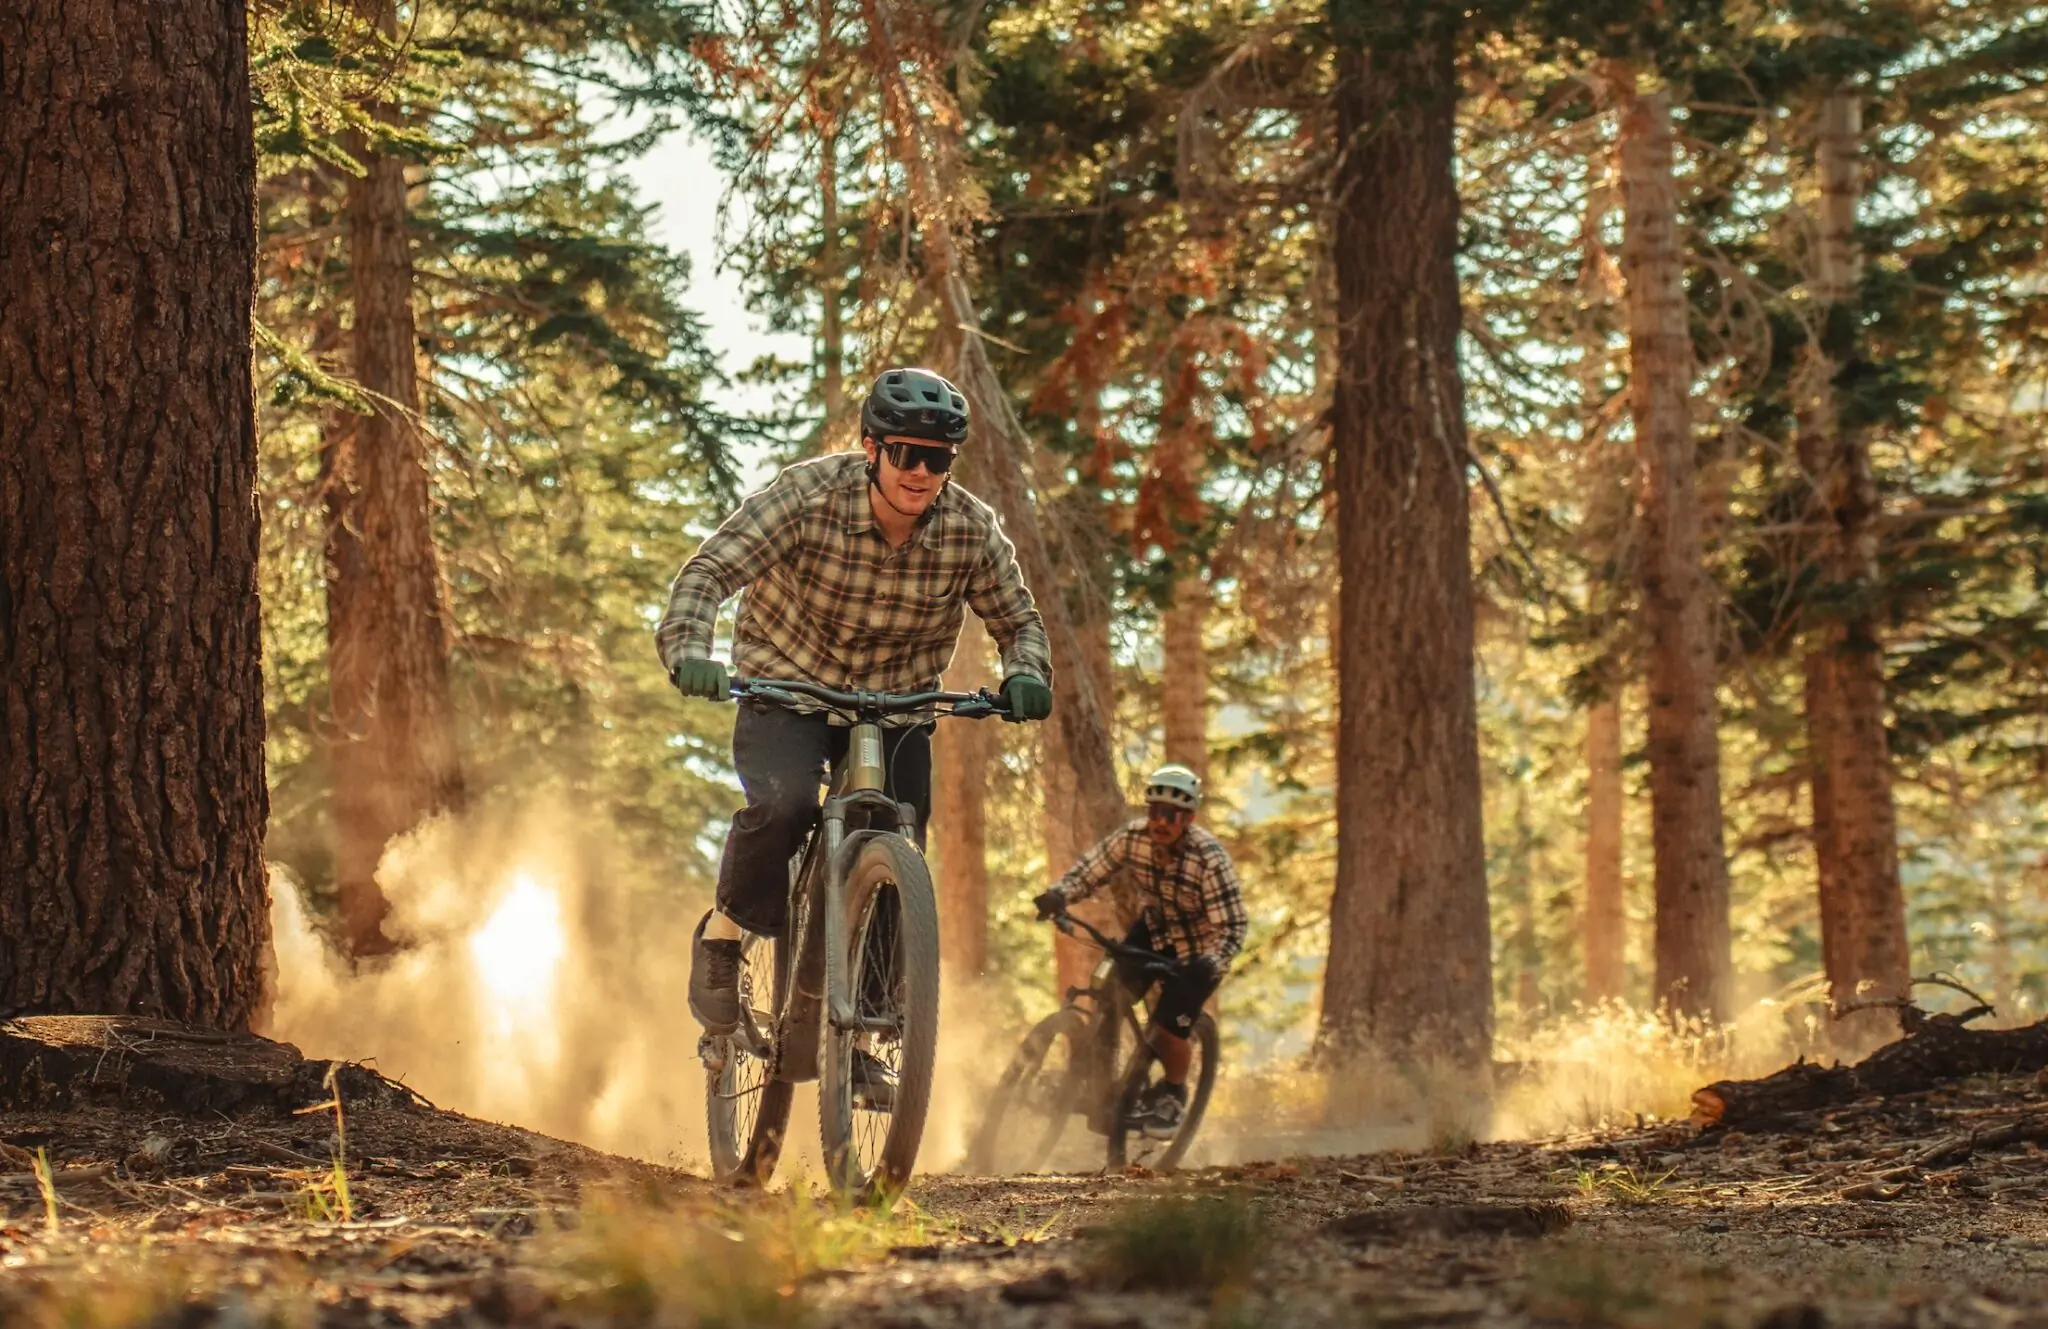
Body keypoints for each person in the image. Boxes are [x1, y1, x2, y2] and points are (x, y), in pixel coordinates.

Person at [657, 367, 1054, 1101]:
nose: (921, 473)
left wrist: (1026, 671)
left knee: (902, 839)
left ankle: (866, 1031)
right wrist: (690, 649)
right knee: (784, 805)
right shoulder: (808, 496)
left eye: (937, 459)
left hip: (898, 703)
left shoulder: (969, 528)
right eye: (906, 454)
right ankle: (724, 935)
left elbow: (1019, 620)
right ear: (872, 448)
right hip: (788, 684)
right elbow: (710, 570)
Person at [1033, 763, 1247, 1138]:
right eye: (1155, 812)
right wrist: (1059, 895)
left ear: (1189, 819)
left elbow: (1233, 928)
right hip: (1155, 932)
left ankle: (1173, 1095)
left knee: (1168, 1027)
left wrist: (1209, 963)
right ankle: (1100, 1090)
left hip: (1200, 950)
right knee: (1108, 993)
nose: (1161, 822)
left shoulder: (1209, 860)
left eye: (1172, 815)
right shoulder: (1134, 838)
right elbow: (1092, 868)